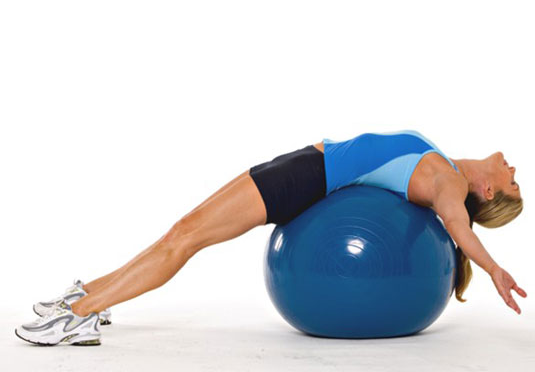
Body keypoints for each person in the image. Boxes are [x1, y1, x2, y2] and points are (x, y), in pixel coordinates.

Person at [15, 129, 526, 346]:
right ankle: (89, 297)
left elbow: (458, 229)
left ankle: (77, 320)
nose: (514, 169)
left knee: (186, 237)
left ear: (486, 192)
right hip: (306, 163)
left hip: (306, 180)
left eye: (513, 181)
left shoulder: (452, 187)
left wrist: (494, 269)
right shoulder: (449, 166)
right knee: (182, 230)